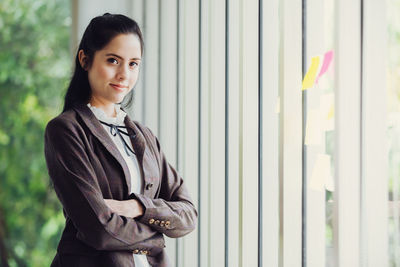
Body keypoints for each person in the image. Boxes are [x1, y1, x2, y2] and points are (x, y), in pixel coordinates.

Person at [44, 13, 197, 267]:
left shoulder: (144, 136)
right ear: (85, 59)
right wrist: (157, 237)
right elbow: (99, 229)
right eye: (113, 60)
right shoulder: (66, 130)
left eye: (133, 64)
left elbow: (188, 215)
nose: (124, 74)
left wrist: (140, 208)